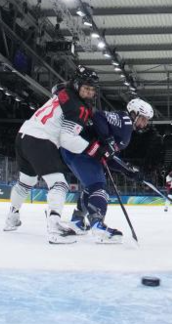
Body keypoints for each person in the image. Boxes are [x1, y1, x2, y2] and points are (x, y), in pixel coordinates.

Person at [2, 66, 115, 244]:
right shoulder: (78, 108)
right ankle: (54, 227)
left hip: (23, 135)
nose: (89, 93)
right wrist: (95, 150)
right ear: (77, 85)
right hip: (41, 139)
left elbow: (59, 88)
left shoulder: (64, 90)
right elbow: (67, 140)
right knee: (59, 185)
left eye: (92, 90)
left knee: (26, 182)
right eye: (86, 88)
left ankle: (12, 217)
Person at [62, 98, 153, 243]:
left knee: (91, 187)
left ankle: (77, 221)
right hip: (80, 149)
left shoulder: (125, 130)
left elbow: (107, 157)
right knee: (99, 187)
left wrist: (127, 170)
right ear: (134, 114)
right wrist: (108, 140)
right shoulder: (125, 120)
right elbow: (98, 116)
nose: (145, 123)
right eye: (143, 118)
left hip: (77, 151)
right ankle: (98, 227)